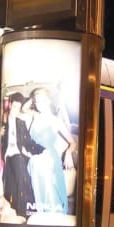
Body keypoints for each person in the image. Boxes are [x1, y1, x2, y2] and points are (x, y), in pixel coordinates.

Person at [24, 87, 75, 215]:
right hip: (36, 159)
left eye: (43, 101)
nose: (40, 104)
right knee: (38, 190)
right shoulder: (36, 116)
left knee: (50, 193)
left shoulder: (55, 121)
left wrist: (68, 152)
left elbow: (73, 142)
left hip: (49, 159)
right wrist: (33, 97)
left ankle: (54, 218)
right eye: (37, 102)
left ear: (48, 101)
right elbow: (24, 109)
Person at [1, 92, 39, 218]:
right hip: (6, 155)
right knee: (13, 184)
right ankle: (19, 211)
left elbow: (29, 143)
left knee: (22, 175)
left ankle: (23, 212)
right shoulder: (2, 119)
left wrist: (41, 151)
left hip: (17, 154)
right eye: (14, 107)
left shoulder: (21, 123)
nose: (16, 110)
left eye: (18, 108)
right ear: (10, 105)